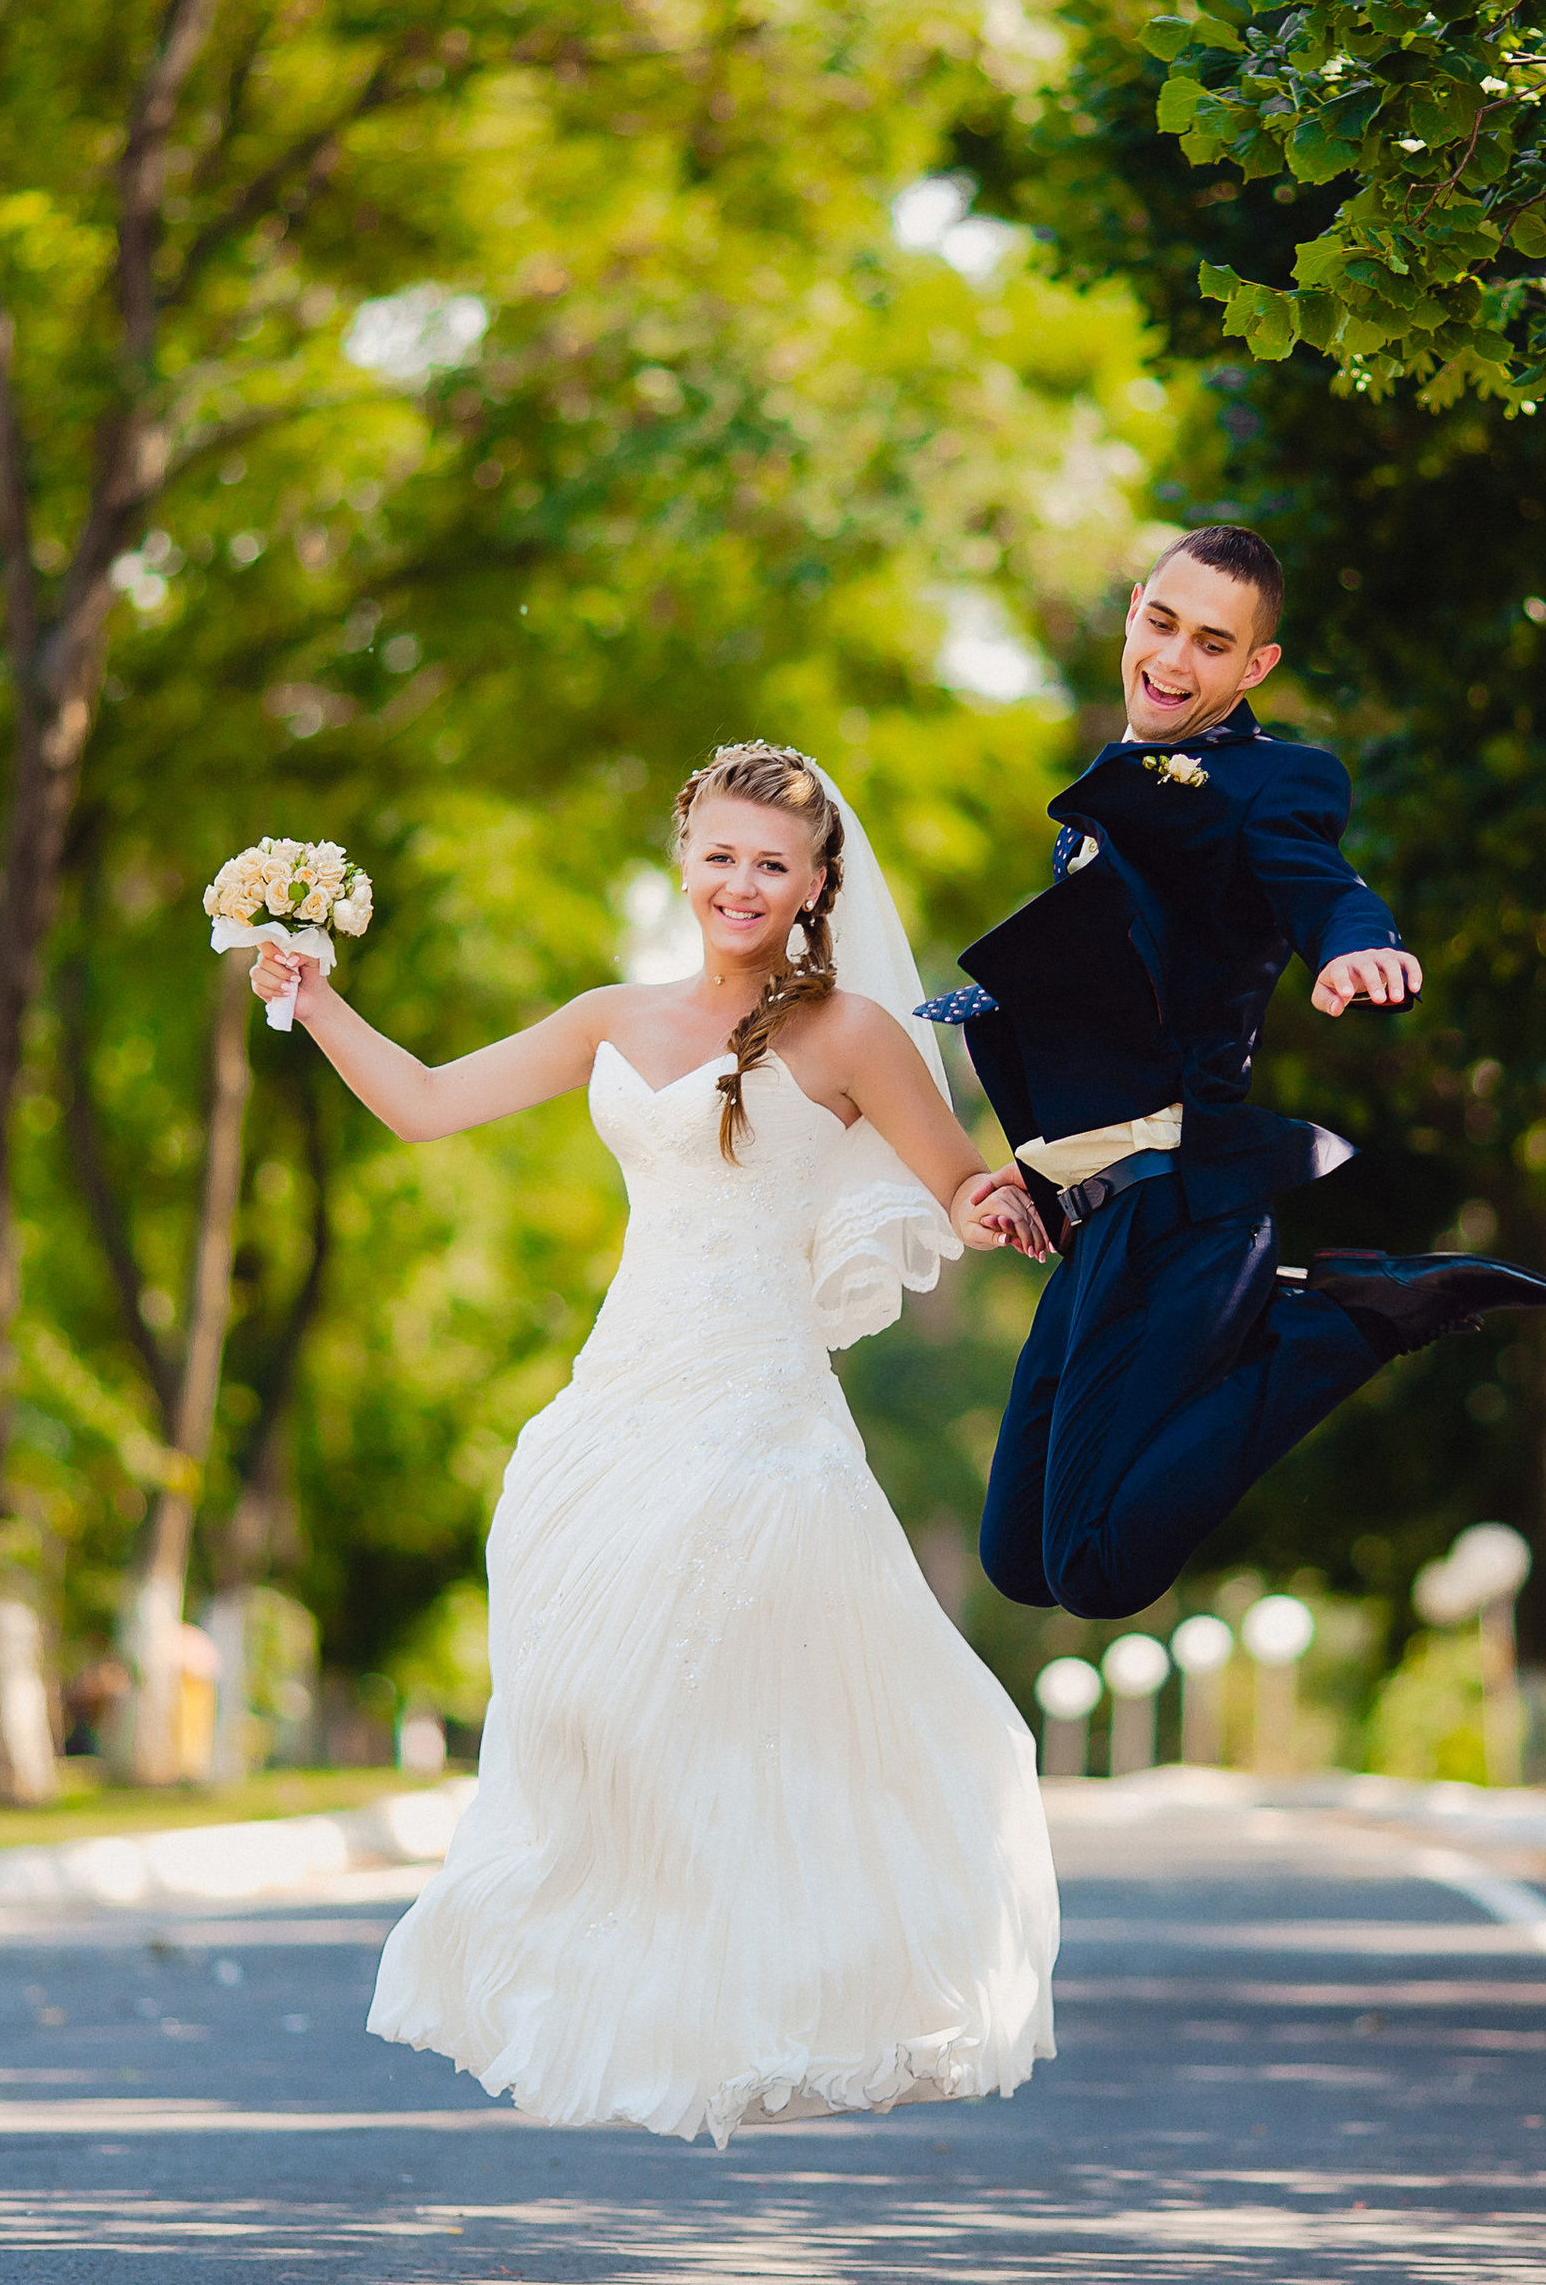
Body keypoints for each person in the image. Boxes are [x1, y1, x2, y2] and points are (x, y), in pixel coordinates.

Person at [248, 741, 1056, 2146]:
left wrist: (1019, 1198)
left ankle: (779, 1995)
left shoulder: (856, 1032)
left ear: (816, 885)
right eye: (722, 855)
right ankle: (636, 1986)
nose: (742, 884)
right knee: (584, 1700)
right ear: (686, 858)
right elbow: (428, 1103)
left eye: (774, 864)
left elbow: (964, 1187)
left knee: (740, 1708)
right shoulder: (611, 1018)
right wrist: (316, 1000)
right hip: (617, 1402)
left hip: (759, 1421)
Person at [923, 526, 1546, 1623]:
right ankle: (1300, 1307)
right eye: (1162, 625)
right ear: (1133, 611)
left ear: (1253, 668)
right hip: (1096, 1220)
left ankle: (1346, 1324)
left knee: (1098, 1570)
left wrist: (1354, 940)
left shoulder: (1268, 781)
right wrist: (1034, 1178)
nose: (1174, 660)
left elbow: (1318, 877)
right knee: (1021, 1559)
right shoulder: (1115, 787)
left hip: (1183, 1214)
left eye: (1212, 644)